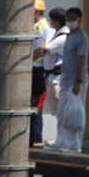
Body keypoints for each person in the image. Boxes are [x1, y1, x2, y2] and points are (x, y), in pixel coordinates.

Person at [52, 7, 89, 152]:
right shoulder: (69, 36)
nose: (69, 21)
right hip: (66, 80)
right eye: (68, 18)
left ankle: (74, 144)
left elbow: (81, 59)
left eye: (73, 18)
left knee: (73, 114)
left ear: (79, 19)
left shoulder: (82, 37)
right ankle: (61, 141)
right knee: (62, 113)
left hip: (75, 81)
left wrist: (78, 81)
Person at [34, 8, 68, 147]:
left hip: (57, 77)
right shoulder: (55, 33)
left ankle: (62, 139)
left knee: (61, 110)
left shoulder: (63, 37)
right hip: (51, 76)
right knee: (56, 111)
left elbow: (43, 49)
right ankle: (60, 138)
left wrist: (41, 44)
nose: (50, 22)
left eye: (52, 19)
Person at [31, 0, 51, 113]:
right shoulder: (37, 25)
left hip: (38, 69)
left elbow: (41, 49)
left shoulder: (42, 27)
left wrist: (27, 62)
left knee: (36, 106)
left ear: (37, 12)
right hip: (35, 67)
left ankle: (36, 131)